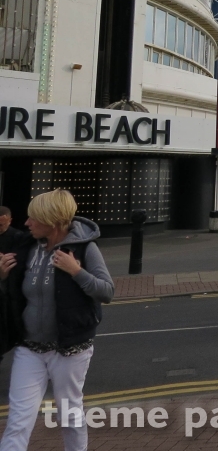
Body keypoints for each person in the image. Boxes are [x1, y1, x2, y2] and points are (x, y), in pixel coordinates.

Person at [0, 189, 114, 451]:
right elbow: (17, 297)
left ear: (52, 220)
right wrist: (4, 277)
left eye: (33, 218)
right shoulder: (27, 247)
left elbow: (106, 292)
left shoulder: (85, 248)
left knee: (69, 414)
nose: (26, 224)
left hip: (69, 348)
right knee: (18, 419)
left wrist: (76, 271)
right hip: (29, 348)